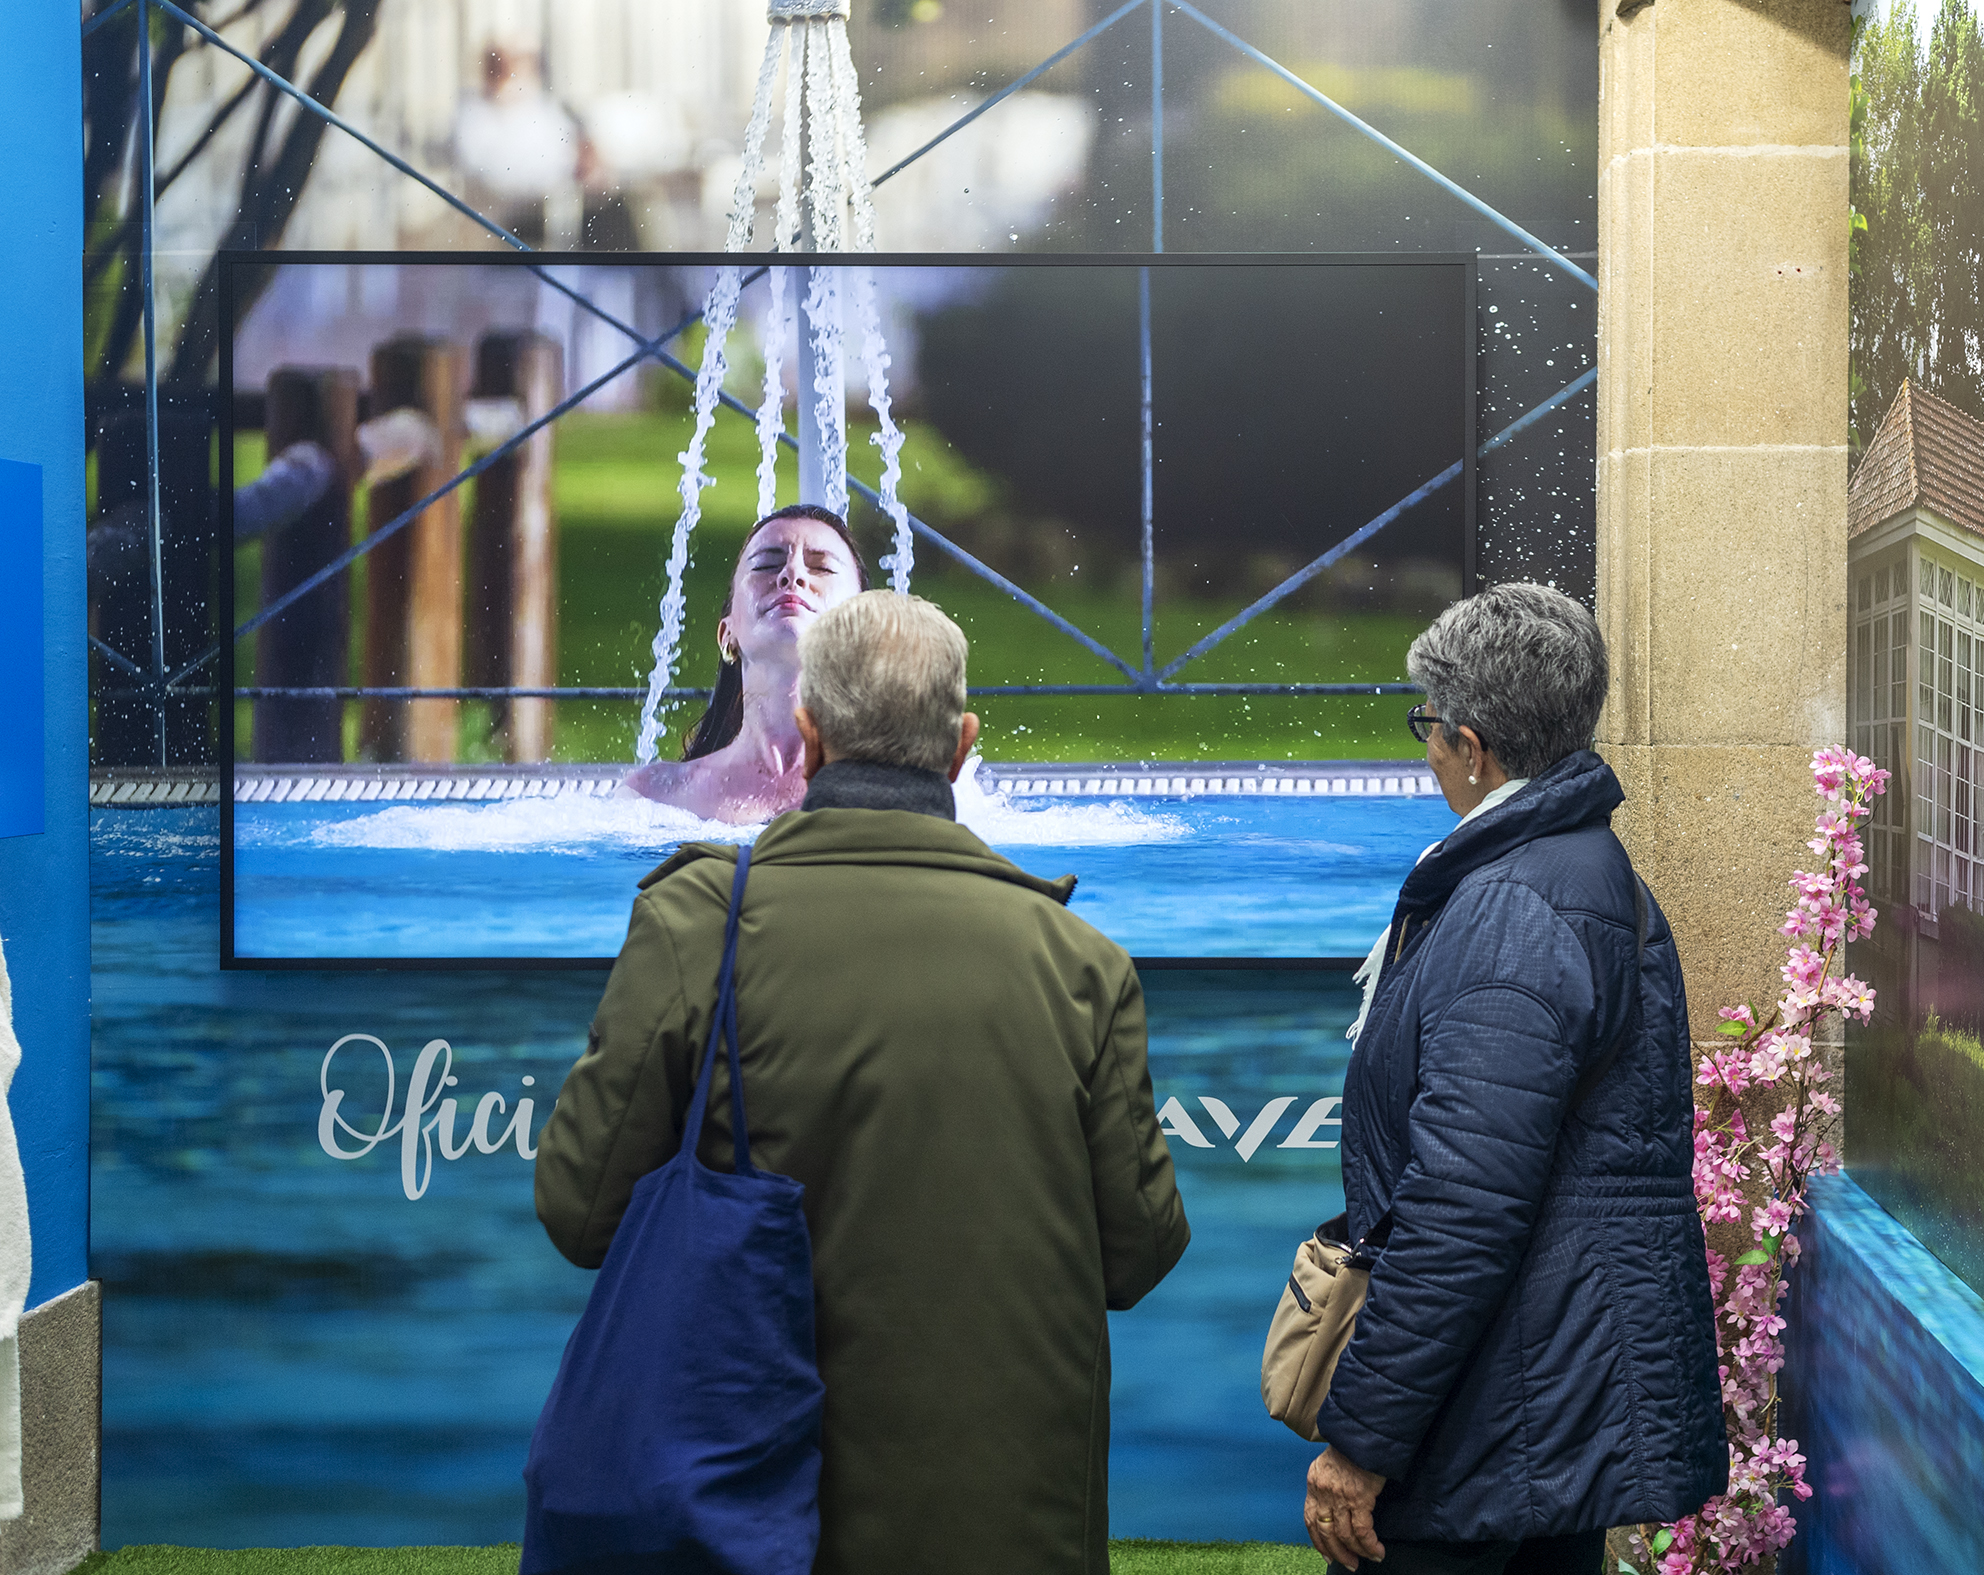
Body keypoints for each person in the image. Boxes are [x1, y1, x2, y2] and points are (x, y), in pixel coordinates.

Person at [537, 589, 1191, 1575]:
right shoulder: (1080, 964)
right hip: (1012, 1526)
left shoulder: (696, 926)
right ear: (962, 746)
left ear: (806, 734)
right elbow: (1138, 1253)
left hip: (747, 1518)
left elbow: (579, 1211)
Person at [1305, 583, 1726, 1574]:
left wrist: (1363, 1440)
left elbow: (1463, 1205)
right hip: (1538, 1409)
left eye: (1429, 729)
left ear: (1473, 746)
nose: (1426, 752)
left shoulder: (1515, 909)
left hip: (1492, 1425)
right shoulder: (1573, 868)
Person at [620, 505, 866, 823]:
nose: (792, 574)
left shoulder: (897, 797)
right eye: (766, 565)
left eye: (822, 568)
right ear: (727, 634)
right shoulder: (653, 795)